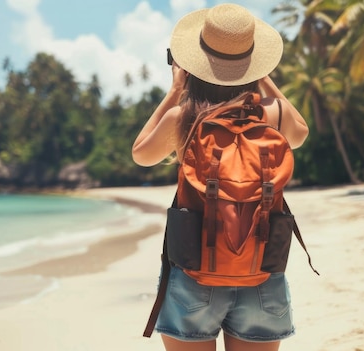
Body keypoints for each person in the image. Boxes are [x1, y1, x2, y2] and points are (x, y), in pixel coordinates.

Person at [132, 4, 309, 351]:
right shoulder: (273, 113)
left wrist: (174, 91)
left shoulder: (184, 117)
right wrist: (263, 76)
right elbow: (300, 133)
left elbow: (141, 154)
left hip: (196, 270)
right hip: (261, 269)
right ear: (253, 62)